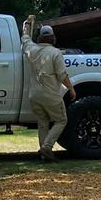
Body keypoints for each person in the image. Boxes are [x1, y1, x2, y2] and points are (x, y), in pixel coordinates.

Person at [21, 14, 77, 162]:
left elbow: (25, 38)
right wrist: (71, 89)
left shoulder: (31, 49)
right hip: (50, 95)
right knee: (61, 120)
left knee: (42, 123)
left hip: (34, 96)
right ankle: (47, 147)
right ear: (53, 38)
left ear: (40, 38)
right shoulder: (55, 53)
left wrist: (27, 23)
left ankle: (44, 155)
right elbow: (62, 75)